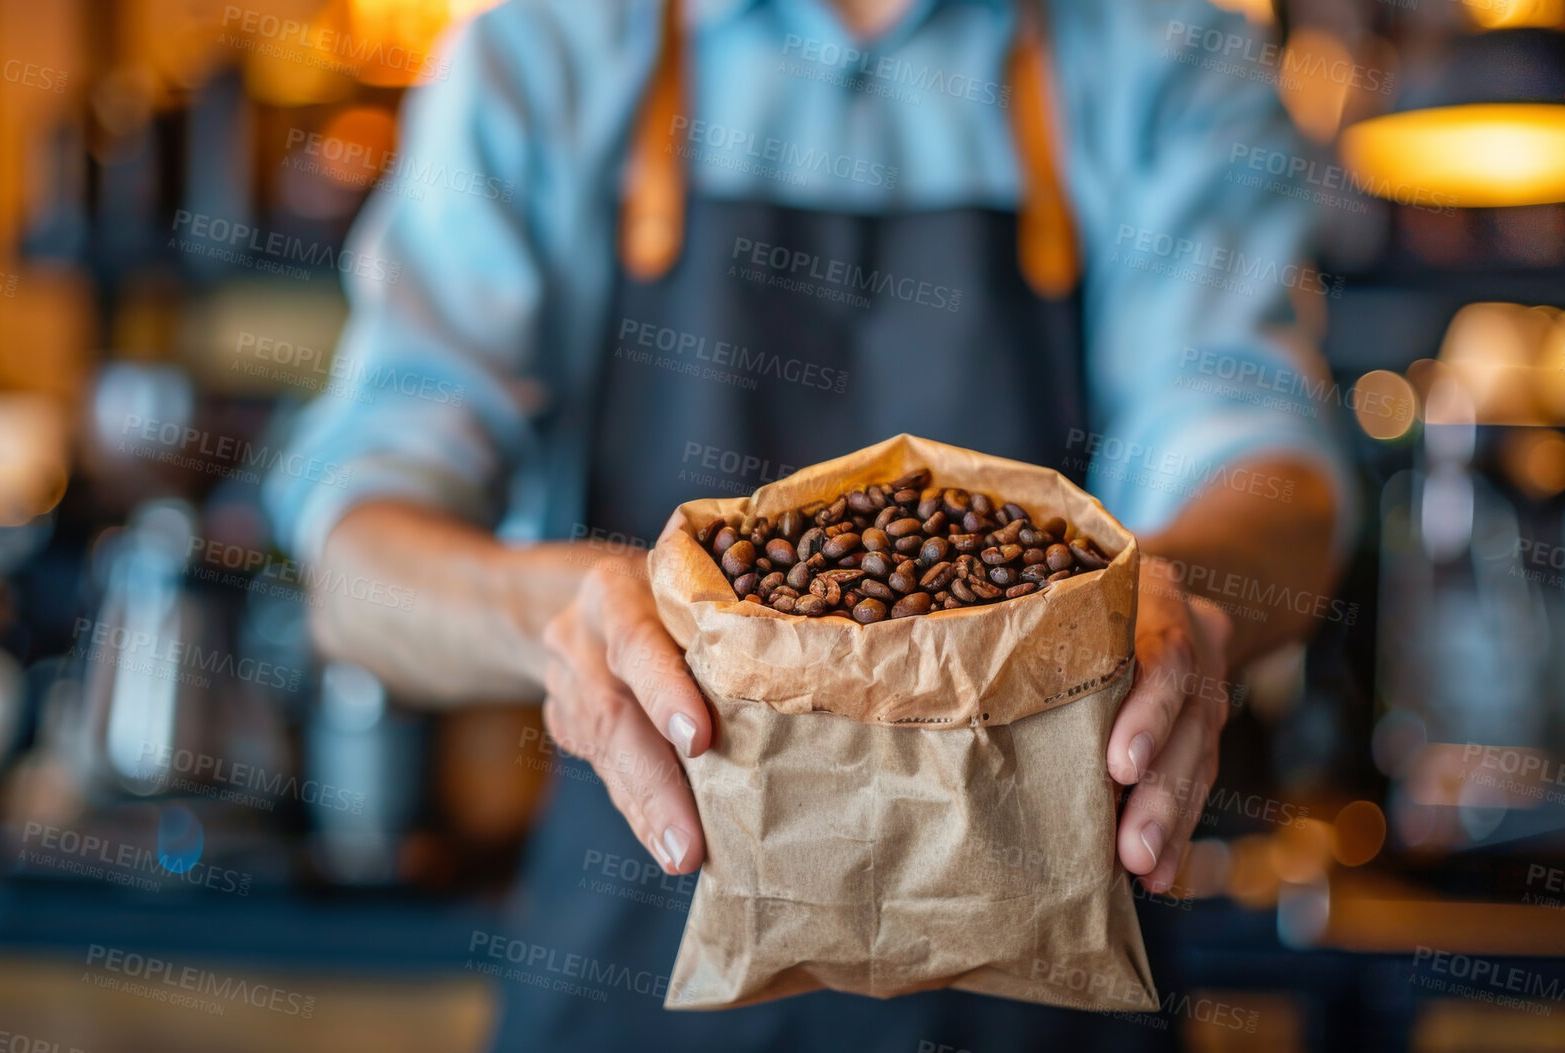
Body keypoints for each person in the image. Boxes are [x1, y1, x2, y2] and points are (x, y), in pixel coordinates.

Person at [267, 0, 1351, 1047]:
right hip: (637, 964)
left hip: (1049, 987)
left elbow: (1268, 468)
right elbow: (356, 568)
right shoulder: (542, 53)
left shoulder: (1163, 50)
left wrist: (1183, 600)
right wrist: (564, 611)